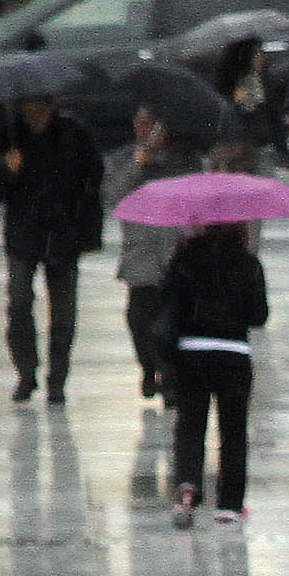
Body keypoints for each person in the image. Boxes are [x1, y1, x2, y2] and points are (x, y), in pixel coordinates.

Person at [0, 91, 102, 404]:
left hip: (64, 235)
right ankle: (26, 372)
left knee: (64, 315)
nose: (35, 115)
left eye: (42, 108)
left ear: (53, 107)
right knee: (19, 302)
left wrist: (82, 225)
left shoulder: (75, 135)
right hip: (23, 235)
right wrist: (8, 170)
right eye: (29, 108)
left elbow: (94, 180)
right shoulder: (7, 137)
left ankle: (57, 379)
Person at [162, 215, 270, 528]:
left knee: (190, 425)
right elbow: (259, 316)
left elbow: (171, 303)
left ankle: (187, 485)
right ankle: (230, 503)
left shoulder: (186, 257)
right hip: (233, 354)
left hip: (192, 353)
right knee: (233, 430)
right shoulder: (248, 262)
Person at [108, 106, 188, 402]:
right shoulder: (122, 158)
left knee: (170, 320)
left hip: (173, 254)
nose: (148, 130)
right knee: (138, 319)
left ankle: (169, 375)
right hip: (140, 253)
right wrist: (137, 165)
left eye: (153, 124)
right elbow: (113, 197)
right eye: (142, 123)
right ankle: (147, 366)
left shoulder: (182, 160)